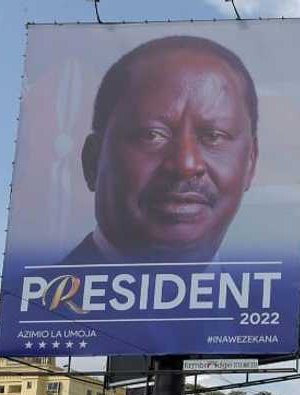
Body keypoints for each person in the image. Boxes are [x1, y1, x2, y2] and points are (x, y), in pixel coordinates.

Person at [63, 35, 260, 265]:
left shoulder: (267, 299)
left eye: (213, 137)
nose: (186, 165)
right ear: (93, 162)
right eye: (152, 135)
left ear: (250, 163)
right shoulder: (34, 301)